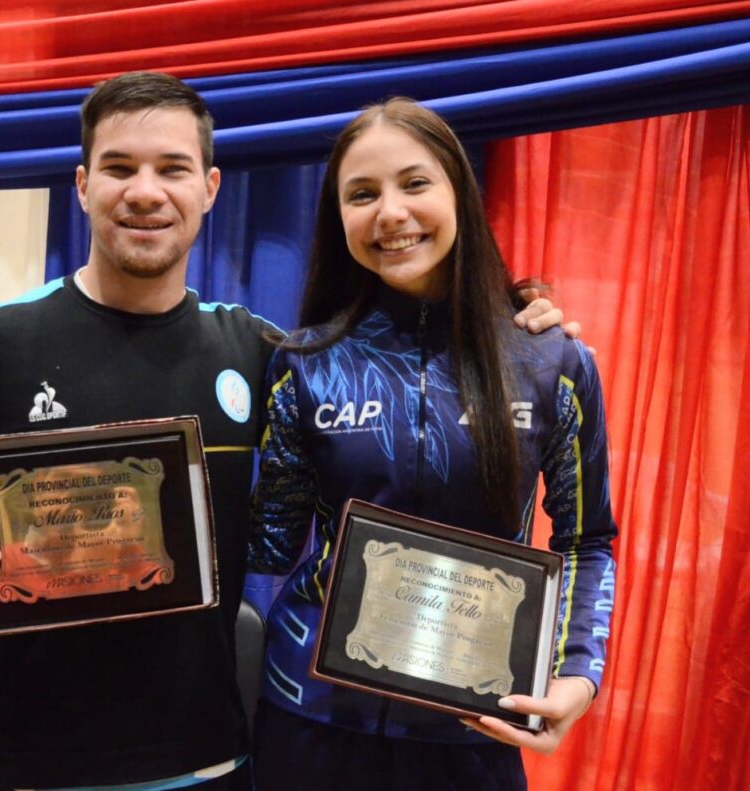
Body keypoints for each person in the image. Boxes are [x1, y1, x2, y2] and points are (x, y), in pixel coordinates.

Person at [0, 73, 576, 791]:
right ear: (83, 184)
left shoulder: (261, 352)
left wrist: (514, 331)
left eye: (173, 168)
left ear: (210, 188)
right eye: (119, 167)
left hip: (208, 759)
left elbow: (390, 370)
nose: (146, 192)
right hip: (26, 760)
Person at [247, 98, 617, 791]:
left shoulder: (552, 362)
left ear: (459, 193)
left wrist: (578, 672)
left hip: (473, 728)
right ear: (339, 218)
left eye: (415, 183)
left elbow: (585, 540)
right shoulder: (305, 362)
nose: (390, 212)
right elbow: (266, 554)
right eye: (362, 194)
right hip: (310, 724)